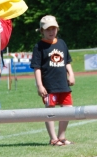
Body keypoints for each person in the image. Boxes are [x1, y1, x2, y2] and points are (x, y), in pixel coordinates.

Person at [31, 15, 75, 146]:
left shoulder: (62, 43)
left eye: (53, 28)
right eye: (48, 29)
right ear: (41, 31)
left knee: (68, 110)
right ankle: (53, 138)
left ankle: (62, 136)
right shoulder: (39, 46)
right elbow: (37, 67)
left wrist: (71, 74)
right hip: (49, 86)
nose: (51, 32)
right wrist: (39, 85)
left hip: (63, 85)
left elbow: (67, 61)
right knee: (50, 112)